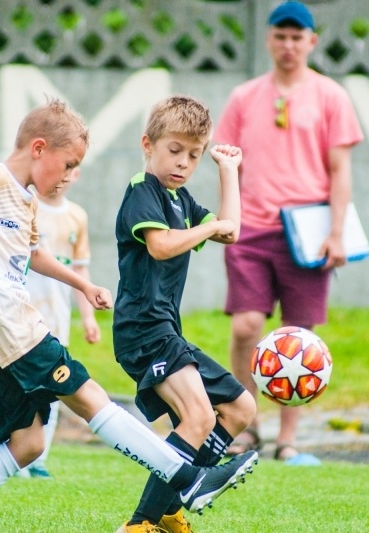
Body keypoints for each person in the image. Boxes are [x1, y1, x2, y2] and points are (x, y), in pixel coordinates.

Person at [0, 98, 258, 533]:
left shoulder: (26, 202)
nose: (69, 177)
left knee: (27, 444)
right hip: (7, 322)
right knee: (88, 397)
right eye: (67, 165)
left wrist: (82, 284)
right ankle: (187, 481)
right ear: (39, 148)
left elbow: (33, 255)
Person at [213, 1, 363, 464]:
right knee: (247, 326)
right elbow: (227, 163)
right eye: (281, 35)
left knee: (300, 337)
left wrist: (336, 233)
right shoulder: (243, 97)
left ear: (311, 42)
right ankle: (245, 425)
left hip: (308, 231)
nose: (289, 45)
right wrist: (227, 219)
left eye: (298, 37)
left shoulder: (331, 96)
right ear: (269, 39)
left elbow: (340, 170)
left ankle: (288, 440)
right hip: (251, 229)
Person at [112, 95, 258, 533]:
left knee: (240, 407)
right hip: (142, 329)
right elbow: (159, 245)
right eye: (175, 150)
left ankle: (169, 509)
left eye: (194, 155)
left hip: (165, 330)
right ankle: (140, 525)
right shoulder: (144, 190)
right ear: (148, 144)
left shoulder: (181, 199)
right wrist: (208, 228)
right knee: (198, 417)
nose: (183, 162)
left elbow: (229, 231)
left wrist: (227, 171)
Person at [17, 166, 101, 479]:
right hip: (21, 319)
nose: (63, 175)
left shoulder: (77, 216)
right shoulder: (28, 206)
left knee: (53, 390)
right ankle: (14, 453)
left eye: (72, 169)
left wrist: (88, 316)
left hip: (56, 320)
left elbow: (81, 270)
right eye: (60, 167)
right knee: (17, 389)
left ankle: (38, 460)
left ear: (78, 174)